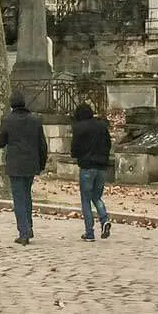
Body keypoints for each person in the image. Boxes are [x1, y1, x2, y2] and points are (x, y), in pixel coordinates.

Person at [0, 91, 47, 245]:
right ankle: (29, 226)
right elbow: (42, 145)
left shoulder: (7, 120)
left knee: (19, 198)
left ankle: (24, 231)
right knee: (26, 195)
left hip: (15, 164)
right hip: (31, 164)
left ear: (11, 104)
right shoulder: (35, 120)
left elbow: (0, 143)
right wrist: (41, 164)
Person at [70, 102, 112, 241]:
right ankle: (104, 219)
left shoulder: (78, 128)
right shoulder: (102, 126)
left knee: (86, 200)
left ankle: (89, 232)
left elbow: (74, 149)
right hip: (102, 167)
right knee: (97, 197)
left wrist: (79, 155)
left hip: (87, 166)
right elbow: (108, 144)